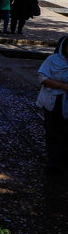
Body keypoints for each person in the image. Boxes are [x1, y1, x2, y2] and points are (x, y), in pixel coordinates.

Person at [38, 36, 68, 175]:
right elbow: (43, 78)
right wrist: (62, 86)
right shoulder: (53, 60)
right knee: (53, 131)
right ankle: (53, 162)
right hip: (53, 102)